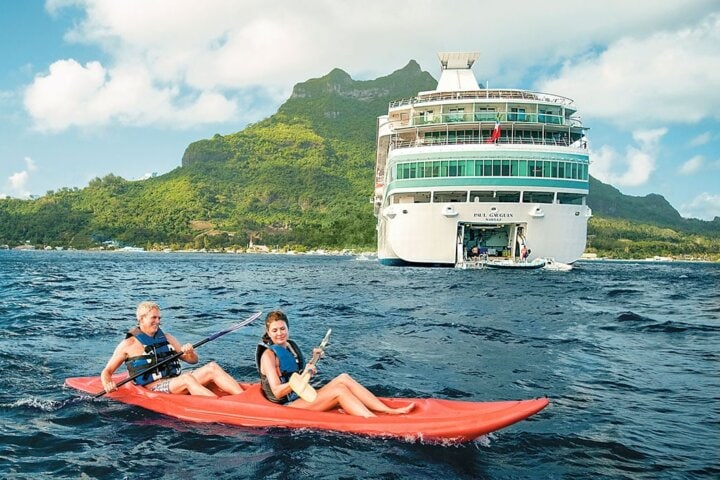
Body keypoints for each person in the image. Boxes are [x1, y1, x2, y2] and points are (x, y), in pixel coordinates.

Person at [256, 310, 415, 417]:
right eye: (275, 330)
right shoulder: (268, 356)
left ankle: (387, 410)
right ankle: (373, 421)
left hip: (301, 396)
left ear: (288, 328)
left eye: (282, 329)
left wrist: (313, 360)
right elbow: (277, 392)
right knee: (339, 390)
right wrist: (304, 374)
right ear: (268, 332)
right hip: (286, 406)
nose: (280, 333)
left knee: (343, 378)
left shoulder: (290, 346)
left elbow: (296, 375)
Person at [100, 301, 244, 397]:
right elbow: (107, 372)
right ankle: (221, 405)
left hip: (175, 381)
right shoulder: (128, 344)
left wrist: (190, 353)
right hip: (154, 388)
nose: (158, 321)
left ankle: (243, 398)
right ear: (141, 319)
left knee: (212, 367)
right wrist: (108, 384)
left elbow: (193, 361)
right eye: (154, 318)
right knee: (187, 379)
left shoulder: (167, 338)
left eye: (159, 318)